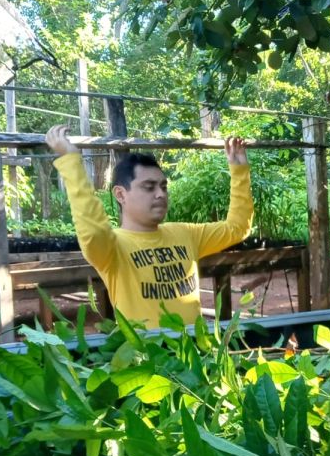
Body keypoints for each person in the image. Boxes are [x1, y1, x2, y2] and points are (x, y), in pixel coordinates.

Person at [45, 125, 253, 328]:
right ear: (120, 194)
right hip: (148, 358)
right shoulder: (111, 248)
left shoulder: (185, 233)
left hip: (195, 355)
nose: (160, 194)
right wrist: (72, 162)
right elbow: (93, 229)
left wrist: (239, 169)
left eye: (163, 186)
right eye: (149, 187)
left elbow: (237, 227)